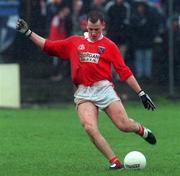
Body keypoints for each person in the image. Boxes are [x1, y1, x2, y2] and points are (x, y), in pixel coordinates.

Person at [16, 10, 156, 170]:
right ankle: (114, 162)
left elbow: (124, 71)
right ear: (86, 26)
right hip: (84, 93)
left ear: (103, 26)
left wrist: (141, 93)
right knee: (89, 127)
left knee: (123, 125)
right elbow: (48, 46)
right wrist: (28, 32)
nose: (94, 32)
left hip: (104, 89)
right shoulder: (75, 42)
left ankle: (141, 130)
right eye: (91, 29)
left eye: (97, 29)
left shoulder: (109, 46)